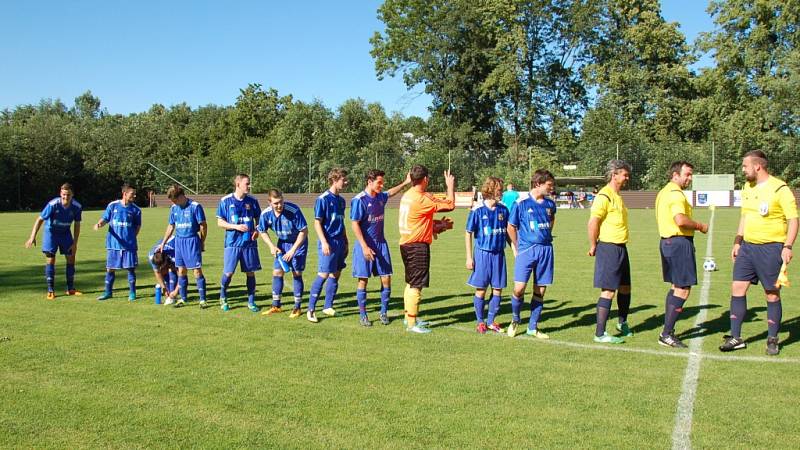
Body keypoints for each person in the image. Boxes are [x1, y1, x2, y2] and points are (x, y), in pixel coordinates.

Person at [721, 150, 798, 355]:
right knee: (737, 288)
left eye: (745, 166)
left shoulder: (780, 188)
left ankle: (772, 338)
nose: (743, 170)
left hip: (771, 248)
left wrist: (788, 246)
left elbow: (793, 220)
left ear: (757, 166)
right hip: (747, 248)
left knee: (771, 293)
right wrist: (738, 241)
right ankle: (736, 337)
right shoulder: (748, 187)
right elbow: (745, 216)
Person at [655, 161, 708, 348]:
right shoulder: (676, 194)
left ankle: (667, 331)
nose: (690, 178)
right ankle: (666, 333)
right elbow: (680, 219)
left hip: (667, 242)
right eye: (687, 174)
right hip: (678, 242)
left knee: (676, 286)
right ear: (675, 175)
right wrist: (700, 226)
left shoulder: (664, 192)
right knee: (683, 288)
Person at [398, 165, 456, 333]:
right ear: (425, 179)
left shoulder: (407, 196)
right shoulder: (421, 199)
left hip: (406, 243)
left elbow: (418, 220)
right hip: (417, 246)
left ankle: (409, 316)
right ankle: (411, 324)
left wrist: (439, 226)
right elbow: (450, 204)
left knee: (411, 282)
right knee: (416, 284)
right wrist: (450, 185)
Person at [350, 169, 411, 327]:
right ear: (369, 182)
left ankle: (383, 313)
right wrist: (364, 247)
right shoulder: (359, 200)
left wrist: (406, 182)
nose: (382, 185)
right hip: (364, 245)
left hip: (380, 244)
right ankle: (363, 315)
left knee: (386, 278)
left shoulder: (380, 197)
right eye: (379, 182)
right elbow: (354, 224)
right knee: (363, 280)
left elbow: (390, 193)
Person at [507, 170, 557, 338]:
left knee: (540, 290)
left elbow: (551, 221)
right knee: (519, 288)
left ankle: (532, 327)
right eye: (549, 185)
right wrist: (517, 246)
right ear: (538, 184)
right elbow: (511, 227)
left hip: (545, 250)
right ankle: (515, 319)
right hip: (526, 250)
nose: (552, 188)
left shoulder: (550, 204)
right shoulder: (521, 203)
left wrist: (546, 235)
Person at [587, 160, 633, 344]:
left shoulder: (617, 195)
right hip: (609, 247)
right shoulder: (604, 196)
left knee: (625, 287)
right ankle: (600, 333)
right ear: (614, 175)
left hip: (621, 247)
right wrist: (593, 245)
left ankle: (622, 322)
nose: (627, 177)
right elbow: (593, 222)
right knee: (608, 291)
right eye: (624, 174)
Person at [465, 176, 509, 334]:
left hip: (499, 255)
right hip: (483, 254)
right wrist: (469, 257)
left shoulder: (503, 210)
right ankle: (480, 321)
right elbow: (468, 233)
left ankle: (491, 321)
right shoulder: (477, 211)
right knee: (481, 290)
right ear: (490, 190)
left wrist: (516, 250)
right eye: (499, 189)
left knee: (498, 289)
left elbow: (509, 233)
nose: (501, 192)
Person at [25, 183, 83, 299]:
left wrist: (75, 243)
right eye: (63, 195)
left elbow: (77, 225)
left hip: (65, 233)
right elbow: (40, 219)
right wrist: (32, 236)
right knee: (51, 259)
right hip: (51, 233)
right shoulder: (53, 204)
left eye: (68, 195)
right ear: (60, 194)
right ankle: (50, 290)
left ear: (72, 195)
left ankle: (70, 289)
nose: (65, 197)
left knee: (71, 258)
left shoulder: (77, 207)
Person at [258, 189, 309, 318]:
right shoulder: (266, 214)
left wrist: (293, 250)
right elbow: (262, 231)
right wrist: (271, 246)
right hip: (282, 244)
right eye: (276, 203)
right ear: (269, 202)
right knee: (277, 272)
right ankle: (276, 305)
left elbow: (304, 231)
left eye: (281, 202)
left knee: (296, 273)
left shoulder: (293, 210)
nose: (279, 205)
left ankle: (297, 307)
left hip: (298, 243)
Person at [307, 168, 349, 323]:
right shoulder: (323, 199)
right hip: (328, 242)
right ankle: (311, 309)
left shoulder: (342, 201)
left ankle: (328, 306)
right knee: (323, 274)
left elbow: (341, 221)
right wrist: (324, 242)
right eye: (343, 180)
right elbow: (317, 222)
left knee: (336, 273)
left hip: (339, 241)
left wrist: (346, 240)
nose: (346, 182)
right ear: (334, 180)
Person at [217, 174, 262, 313]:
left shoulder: (253, 201)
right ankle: (223, 297)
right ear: (238, 184)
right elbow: (220, 222)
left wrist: (258, 229)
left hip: (249, 243)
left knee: (250, 273)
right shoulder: (225, 201)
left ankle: (251, 301)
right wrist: (236, 227)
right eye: (247, 184)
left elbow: (259, 218)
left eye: (249, 183)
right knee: (229, 273)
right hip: (233, 242)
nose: (249, 186)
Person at [159, 185, 208, 307]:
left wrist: (202, 242)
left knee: (196, 271)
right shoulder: (174, 208)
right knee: (181, 270)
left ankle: (203, 300)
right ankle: (184, 299)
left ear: (181, 196)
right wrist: (163, 242)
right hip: (179, 241)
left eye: (175, 200)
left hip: (191, 240)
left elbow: (203, 226)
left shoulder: (195, 207)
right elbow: (171, 226)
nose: (174, 203)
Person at [94, 184, 142, 301]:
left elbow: (137, 226)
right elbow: (105, 218)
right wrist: (99, 223)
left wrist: (130, 237)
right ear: (124, 194)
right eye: (132, 194)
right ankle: (108, 292)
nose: (134, 196)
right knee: (110, 268)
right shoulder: (113, 205)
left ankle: (132, 293)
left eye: (135, 194)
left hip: (129, 245)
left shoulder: (136, 209)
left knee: (130, 268)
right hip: (113, 244)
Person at [148, 236, 178, 305]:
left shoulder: (173, 255)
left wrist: (175, 291)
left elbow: (182, 274)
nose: (160, 269)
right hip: (166, 252)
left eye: (162, 267)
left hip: (179, 244)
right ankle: (170, 292)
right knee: (163, 272)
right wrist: (163, 288)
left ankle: (181, 297)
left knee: (174, 270)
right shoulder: (151, 256)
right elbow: (157, 272)